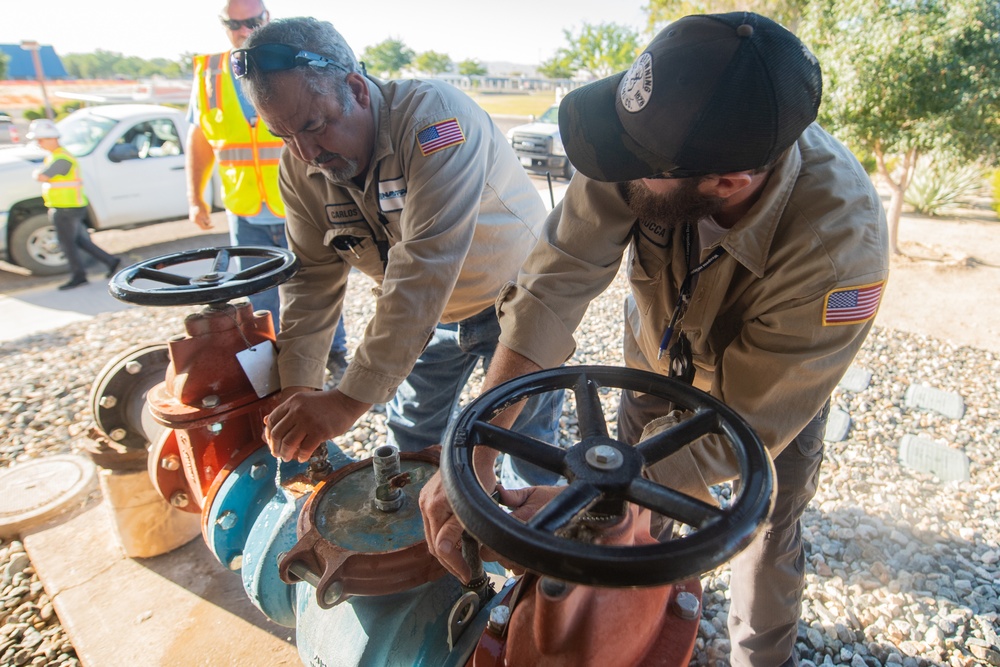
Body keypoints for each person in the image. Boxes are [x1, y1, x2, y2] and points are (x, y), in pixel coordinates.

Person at [420, 12, 889, 667]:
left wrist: (585, 495)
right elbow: (560, 276)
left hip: (769, 397)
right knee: (626, 517)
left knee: (762, 524)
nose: (616, 167)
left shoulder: (841, 250)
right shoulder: (652, 138)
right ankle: (632, 626)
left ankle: (761, 654)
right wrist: (476, 449)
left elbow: (744, 426)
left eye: (634, 163)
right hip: (652, 363)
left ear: (729, 183)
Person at [237, 17, 563, 468]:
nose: (305, 154)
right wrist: (301, 387)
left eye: (315, 126)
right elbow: (311, 279)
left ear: (357, 89)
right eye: (284, 135)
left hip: (515, 301)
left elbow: (426, 262)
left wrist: (347, 402)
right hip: (426, 315)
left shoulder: (437, 122)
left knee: (527, 449)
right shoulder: (298, 166)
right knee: (408, 438)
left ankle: (529, 532)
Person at [186, 0, 349, 381]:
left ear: (267, 19)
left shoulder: (290, 60)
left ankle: (333, 355)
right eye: (234, 23)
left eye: (252, 21)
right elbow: (199, 138)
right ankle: (274, 366)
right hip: (246, 207)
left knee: (317, 283)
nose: (243, 30)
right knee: (260, 295)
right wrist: (196, 198)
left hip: (300, 203)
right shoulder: (209, 73)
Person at [29, 119, 120, 291]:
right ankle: (111, 261)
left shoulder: (62, 158)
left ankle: (79, 276)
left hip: (67, 208)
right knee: (79, 240)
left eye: (40, 140)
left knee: (67, 243)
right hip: (66, 206)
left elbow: (43, 177)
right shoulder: (55, 156)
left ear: (51, 138)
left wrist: (36, 173)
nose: (38, 144)